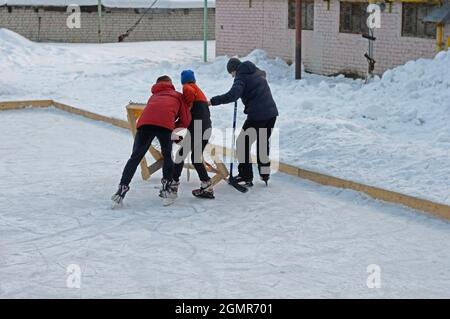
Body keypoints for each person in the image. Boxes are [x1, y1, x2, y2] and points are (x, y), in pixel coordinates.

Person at [112, 75, 191, 206]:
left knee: (135, 157)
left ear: (157, 84)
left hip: (144, 126)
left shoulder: (154, 96)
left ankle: (122, 188)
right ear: (170, 84)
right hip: (165, 126)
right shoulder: (177, 95)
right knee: (167, 156)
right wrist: (173, 126)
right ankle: (166, 188)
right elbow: (186, 120)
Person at [209, 58, 279, 186]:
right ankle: (265, 173)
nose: (232, 77)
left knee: (242, 143)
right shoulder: (256, 71)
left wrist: (213, 101)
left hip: (257, 115)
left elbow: (233, 95)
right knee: (263, 143)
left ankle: (245, 176)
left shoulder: (241, 77)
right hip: (271, 114)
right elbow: (260, 78)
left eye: (232, 74)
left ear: (234, 70)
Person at [172, 70, 214, 199]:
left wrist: (188, 105)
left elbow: (188, 94)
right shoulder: (199, 91)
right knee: (196, 157)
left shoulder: (187, 87)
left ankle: (173, 185)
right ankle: (207, 186)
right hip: (206, 128)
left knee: (180, 155)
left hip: (198, 128)